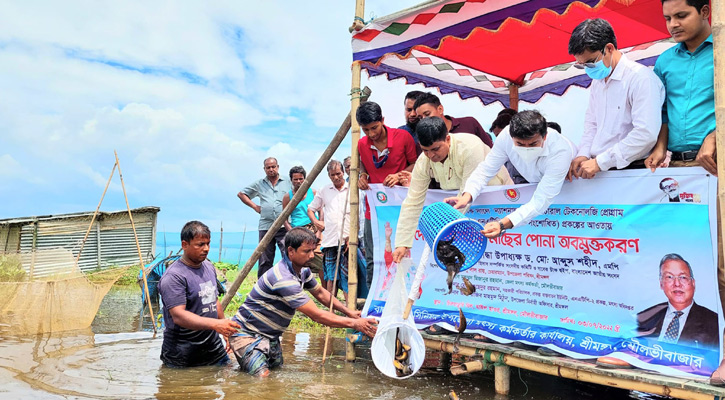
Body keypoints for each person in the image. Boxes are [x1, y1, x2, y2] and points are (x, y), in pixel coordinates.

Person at [229, 227, 377, 376]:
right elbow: (317, 315)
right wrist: (355, 323)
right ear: (291, 251)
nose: (312, 256)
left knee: (275, 375)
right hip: (247, 334)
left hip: (270, 336)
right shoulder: (284, 279)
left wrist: (349, 312)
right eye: (307, 251)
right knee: (262, 378)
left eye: (313, 250)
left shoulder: (302, 270)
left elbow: (320, 293)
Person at [392, 116, 511, 261]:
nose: (431, 155)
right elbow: (413, 201)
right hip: (465, 209)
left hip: (497, 204)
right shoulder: (424, 160)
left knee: (500, 256)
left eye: (435, 149)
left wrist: (443, 233)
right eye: (425, 150)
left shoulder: (470, 147)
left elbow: (465, 194)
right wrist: (402, 243)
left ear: (447, 139)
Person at [446, 110, 575, 238]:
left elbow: (542, 200)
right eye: (519, 144)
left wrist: (502, 224)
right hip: (534, 194)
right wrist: (467, 196)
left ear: (545, 136)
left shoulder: (560, 151)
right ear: (511, 137)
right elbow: (485, 170)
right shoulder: (505, 136)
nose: (526, 148)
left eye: (533, 144)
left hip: (567, 194)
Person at [567, 18, 665, 179]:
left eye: (590, 63)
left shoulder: (641, 79)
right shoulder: (597, 82)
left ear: (609, 48)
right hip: (599, 169)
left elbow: (645, 134)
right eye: (582, 65)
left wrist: (601, 162)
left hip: (632, 170)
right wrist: (583, 154)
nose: (587, 70)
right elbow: (592, 123)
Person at [646, 0, 715, 175]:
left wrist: (716, 136)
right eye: (667, 18)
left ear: (705, 12)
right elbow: (663, 111)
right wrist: (660, 147)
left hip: (717, 161)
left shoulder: (721, 51)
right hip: (678, 166)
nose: (673, 25)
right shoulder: (664, 61)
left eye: (681, 16)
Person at [158, 221, 241, 368]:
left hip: (213, 348)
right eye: (200, 244)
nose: (206, 249)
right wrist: (216, 324)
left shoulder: (208, 266)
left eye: (208, 244)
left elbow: (214, 301)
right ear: (184, 245)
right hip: (182, 353)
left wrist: (225, 330)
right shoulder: (174, 277)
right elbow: (178, 316)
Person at [357, 101, 418, 289]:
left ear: (382, 120)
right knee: (373, 257)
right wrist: (362, 175)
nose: (371, 134)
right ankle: (374, 301)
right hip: (373, 210)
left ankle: (407, 295)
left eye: (374, 127)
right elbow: (363, 165)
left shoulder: (403, 137)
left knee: (405, 254)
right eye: (366, 130)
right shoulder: (361, 144)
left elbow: (417, 165)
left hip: (402, 208)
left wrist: (400, 175)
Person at [636, 254, 718, 348]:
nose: (677, 284)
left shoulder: (715, 323)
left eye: (683, 277)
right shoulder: (643, 319)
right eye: (669, 277)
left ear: (693, 283)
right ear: (661, 284)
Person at [238, 157, 291, 278]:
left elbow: (301, 191)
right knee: (264, 258)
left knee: (288, 255)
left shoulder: (288, 181)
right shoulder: (259, 184)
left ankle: (289, 282)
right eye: (268, 167)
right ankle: (263, 286)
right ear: (264, 169)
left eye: (273, 167)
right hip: (266, 226)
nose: (271, 169)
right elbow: (241, 194)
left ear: (278, 167)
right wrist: (255, 207)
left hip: (284, 225)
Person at [308, 160, 351, 298]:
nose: (336, 177)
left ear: (343, 172)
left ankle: (349, 308)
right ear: (328, 175)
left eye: (338, 174)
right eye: (332, 175)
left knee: (347, 276)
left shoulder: (352, 189)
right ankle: (331, 310)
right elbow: (311, 209)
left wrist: (353, 236)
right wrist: (316, 222)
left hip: (348, 239)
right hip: (330, 240)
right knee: (331, 276)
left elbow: (360, 215)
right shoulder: (324, 190)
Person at [413, 92, 494, 148]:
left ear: (440, 109)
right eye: (420, 118)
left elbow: (491, 150)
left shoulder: (469, 123)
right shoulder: (424, 137)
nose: (424, 119)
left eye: (427, 114)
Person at [398, 90, 426, 155]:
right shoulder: (398, 133)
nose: (412, 114)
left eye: (416, 110)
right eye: (409, 110)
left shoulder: (433, 132)